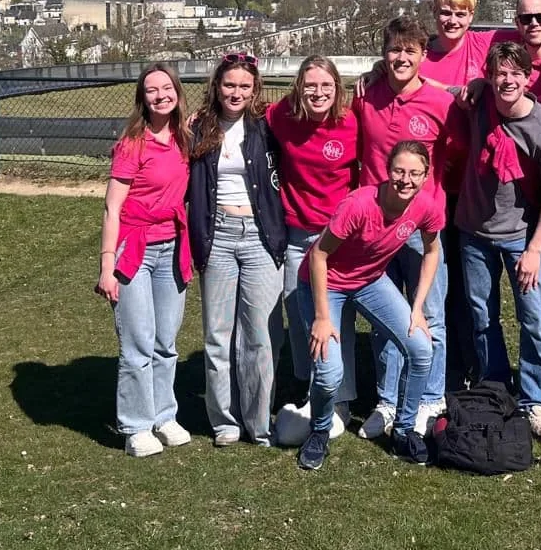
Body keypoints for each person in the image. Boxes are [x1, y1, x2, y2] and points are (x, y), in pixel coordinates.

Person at [292, 140, 443, 471]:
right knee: (330, 375)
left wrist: (417, 307)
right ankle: (319, 431)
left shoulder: (427, 207)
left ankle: (403, 432)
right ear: (387, 171)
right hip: (324, 283)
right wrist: (321, 316)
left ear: (426, 174)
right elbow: (318, 254)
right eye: (399, 171)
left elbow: (432, 251)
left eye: (415, 173)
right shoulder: (359, 204)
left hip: (370, 281)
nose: (406, 180)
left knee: (421, 349)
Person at [351, 16, 464, 440]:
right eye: (394, 50)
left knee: (429, 313)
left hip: (421, 228)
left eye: (409, 51)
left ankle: (429, 398)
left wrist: (430, 200)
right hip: (375, 226)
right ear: (384, 54)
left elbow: (455, 154)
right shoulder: (366, 97)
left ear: (422, 56)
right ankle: (387, 400)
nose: (401, 58)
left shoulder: (440, 104)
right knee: (385, 316)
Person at [456, 41, 541, 446]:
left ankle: (536, 400)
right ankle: (495, 387)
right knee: (481, 315)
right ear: (490, 75)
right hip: (473, 232)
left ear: (527, 78)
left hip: (521, 237)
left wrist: (535, 248)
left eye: (515, 74)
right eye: (499, 73)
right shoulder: (482, 96)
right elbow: (434, 87)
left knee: (534, 319)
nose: (507, 80)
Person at [186, 52, 287, 446]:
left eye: (245, 86)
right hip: (218, 235)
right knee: (218, 334)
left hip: (261, 235)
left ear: (255, 89)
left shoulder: (266, 126)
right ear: (217, 85)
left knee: (261, 334)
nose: (236, 92)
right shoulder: (198, 127)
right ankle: (225, 421)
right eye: (230, 84)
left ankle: (259, 421)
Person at [96, 64, 194, 457]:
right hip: (134, 251)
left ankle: (163, 416)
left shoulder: (186, 137)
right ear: (142, 98)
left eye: (166, 88)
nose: (160, 96)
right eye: (151, 90)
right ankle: (135, 426)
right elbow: (111, 208)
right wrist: (107, 266)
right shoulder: (132, 144)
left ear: (176, 92)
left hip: (173, 247)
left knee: (165, 342)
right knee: (137, 344)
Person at [267, 56, 360, 442]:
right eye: (310, 86)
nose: (318, 93)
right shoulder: (281, 117)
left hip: (338, 239)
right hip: (298, 236)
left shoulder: (352, 122)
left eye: (326, 86)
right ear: (298, 89)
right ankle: (311, 387)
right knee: (300, 313)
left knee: (338, 322)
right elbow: (246, 109)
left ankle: (343, 398)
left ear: (338, 88)